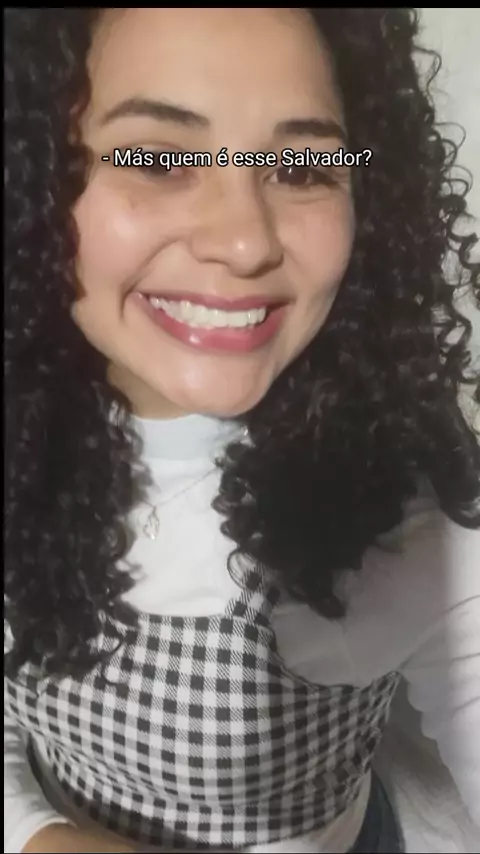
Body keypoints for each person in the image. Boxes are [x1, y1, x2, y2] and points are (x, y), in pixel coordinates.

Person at [4, 7, 480, 854]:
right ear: (34, 173)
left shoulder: (404, 514)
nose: (244, 241)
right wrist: (38, 834)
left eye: (301, 168)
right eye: (158, 160)